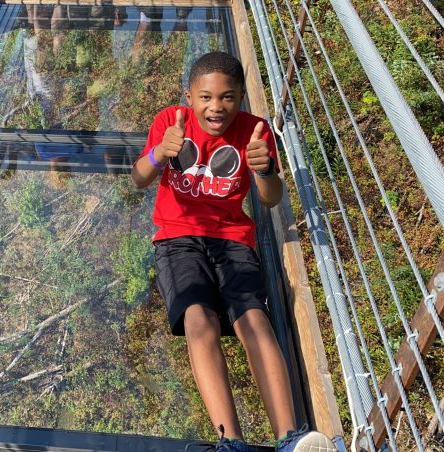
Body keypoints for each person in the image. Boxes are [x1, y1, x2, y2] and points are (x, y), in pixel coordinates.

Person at [130, 51, 336, 452]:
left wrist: (264, 171)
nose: (216, 107)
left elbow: (271, 199)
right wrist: (160, 153)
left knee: (253, 320)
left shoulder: (256, 131)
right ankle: (231, 442)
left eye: (227, 97)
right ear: (189, 96)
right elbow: (139, 178)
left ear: (241, 95)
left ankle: (290, 439)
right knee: (198, 320)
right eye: (205, 97)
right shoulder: (169, 122)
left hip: (232, 237)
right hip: (176, 237)